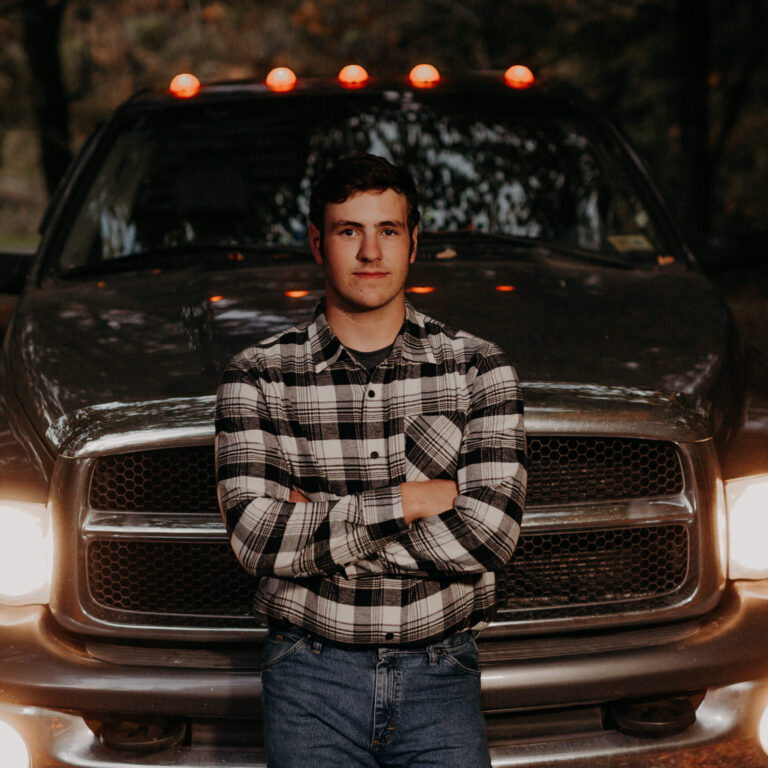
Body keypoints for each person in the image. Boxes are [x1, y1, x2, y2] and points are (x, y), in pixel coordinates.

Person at [215, 153, 526, 767]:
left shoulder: (478, 368)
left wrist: (318, 534)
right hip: (308, 672)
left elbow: (490, 536)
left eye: (387, 230)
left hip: (443, 672)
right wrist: (411, 501)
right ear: (316, 242)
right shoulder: (257, 376)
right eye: (348, 230)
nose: (369, 253)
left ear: (414, 241)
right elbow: (255, 538)